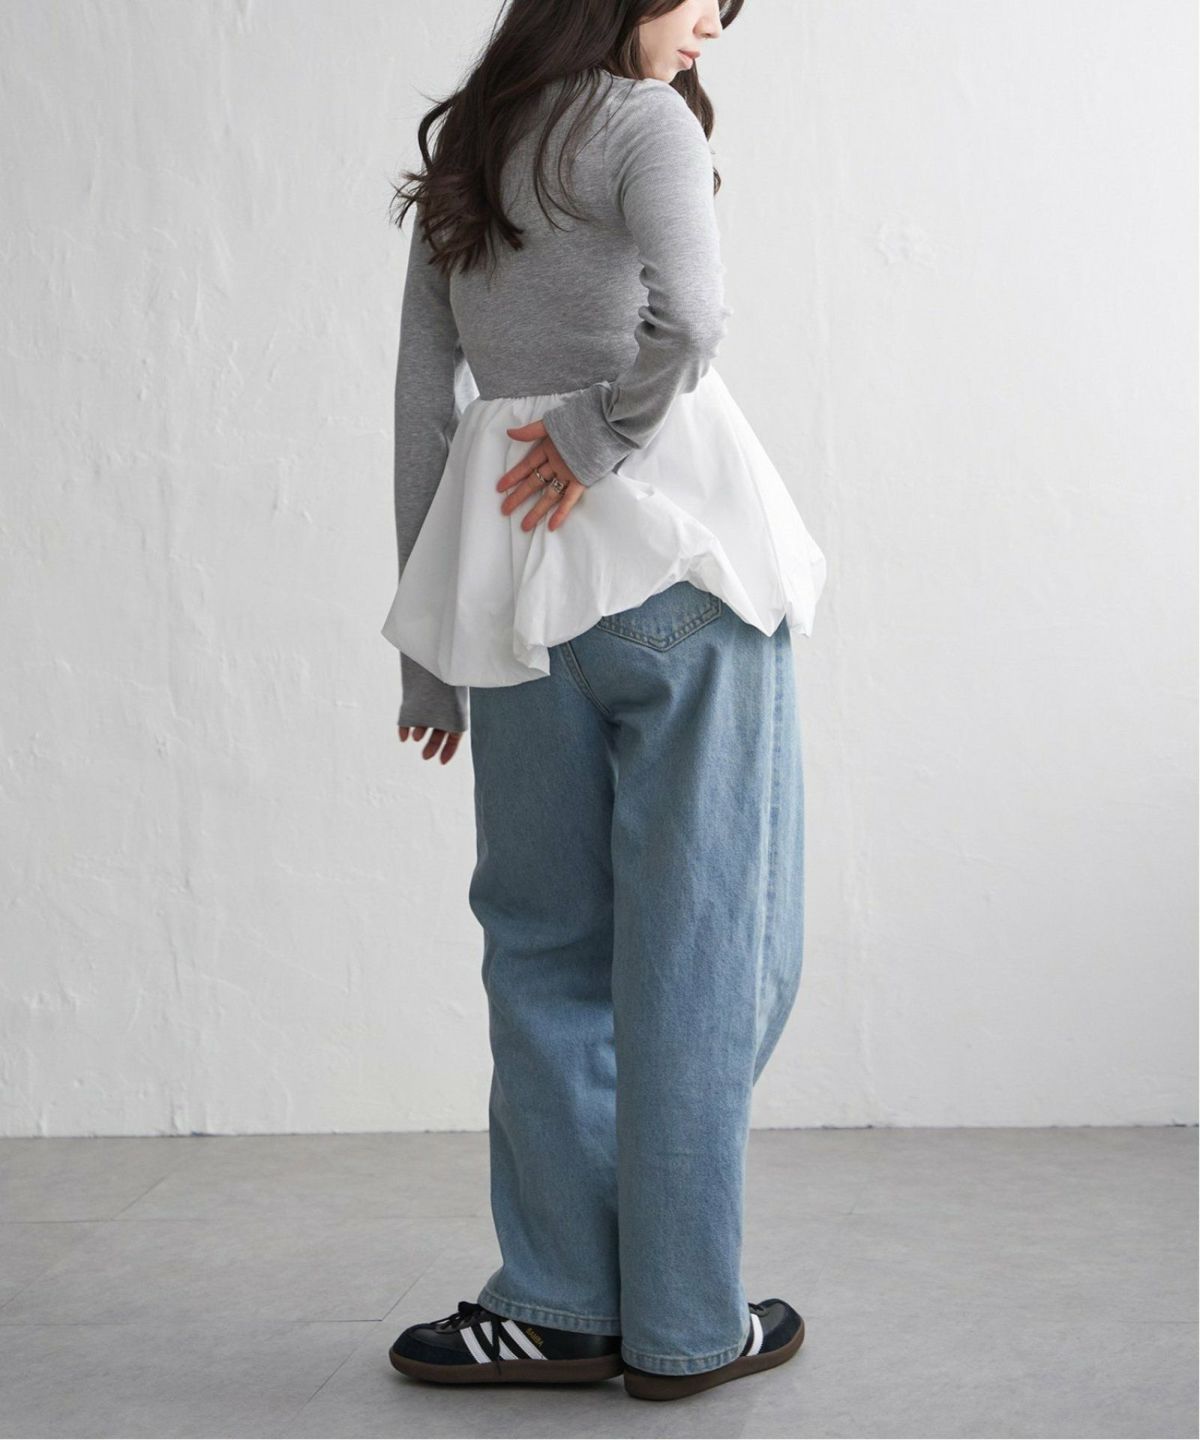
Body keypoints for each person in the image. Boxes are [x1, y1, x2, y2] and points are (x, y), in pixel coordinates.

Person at [381, 0, 827, 1403]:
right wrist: (594, 433)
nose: (709, 28)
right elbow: (690, 322)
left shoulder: (472, 146)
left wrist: (429, 646)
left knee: (543, 945)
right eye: (700, 1)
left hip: (513, 592)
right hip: (677, 573)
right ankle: (688, 1322)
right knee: (710, 947)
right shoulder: (641, 125)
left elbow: (422, 397)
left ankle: (563, 1302)